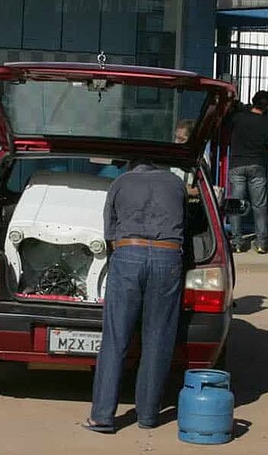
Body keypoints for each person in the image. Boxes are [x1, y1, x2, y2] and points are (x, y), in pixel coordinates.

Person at [84, 159, 186, 434]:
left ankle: (102, 417)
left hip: (128, 253)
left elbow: (109, 232)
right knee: (158, 339)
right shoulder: (176, 183)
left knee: (116, 338)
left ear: (131, 166)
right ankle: (148, 416)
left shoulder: (120, 182)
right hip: (168, 257)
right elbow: (187, 225)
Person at [226, 90, 268, 254]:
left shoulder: (238, 118)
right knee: (259, 206)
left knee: (235, 205)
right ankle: (261, 242)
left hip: (237, 164)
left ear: (252, 101)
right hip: (257, 165)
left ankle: (237, 242)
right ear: (267, 106)